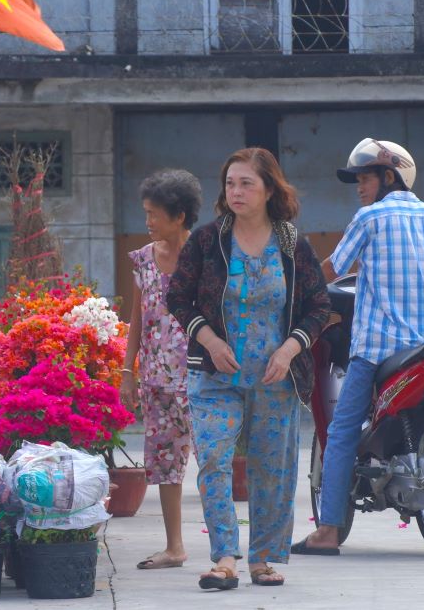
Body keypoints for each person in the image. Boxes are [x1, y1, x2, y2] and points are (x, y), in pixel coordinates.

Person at [167, 148, 330, 589]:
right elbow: (177, 298)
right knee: (215, 460)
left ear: (270, 189)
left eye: (246, 184)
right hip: (215, 374)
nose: (236, 192)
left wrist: (290, 350)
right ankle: (224, 557)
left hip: (275, 377)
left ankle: (263, 558)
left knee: (272, 468)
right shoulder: (207, 241)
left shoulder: (293, 244)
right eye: (230, 183)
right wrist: (211, 340)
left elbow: (318, 306)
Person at [291, 138, 424, 556]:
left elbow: (332, 269)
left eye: (365, 178)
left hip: (380, 348)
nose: (359, 187)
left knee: (340, 432)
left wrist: (294, 288)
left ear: (389, 177)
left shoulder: (370, 217)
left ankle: (328, 531)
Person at [120, 169, 202, 571]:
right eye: (146, 213)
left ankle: (227, 546)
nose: (148, 221)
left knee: (214, 461)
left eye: (155, 214)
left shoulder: (205, 258)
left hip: (203, 378)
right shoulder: (142, 260)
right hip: (156, 380)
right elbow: (137, 317)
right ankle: (175, 547)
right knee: (167, 464)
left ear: (180, 215)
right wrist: (127, 371)